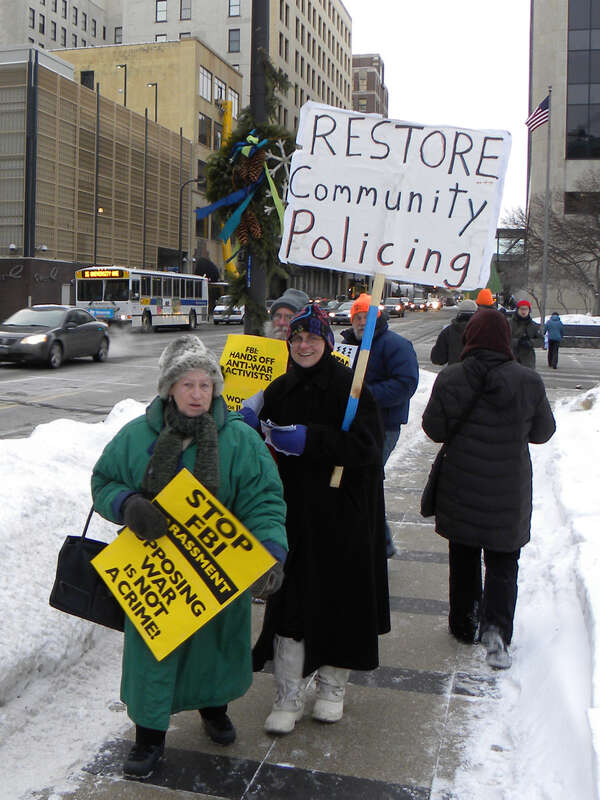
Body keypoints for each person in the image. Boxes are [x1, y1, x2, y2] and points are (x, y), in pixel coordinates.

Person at [91, 335, 287, 779]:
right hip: (155, 575)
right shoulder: (136, 436)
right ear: (169, 389)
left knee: (215, 651)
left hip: (219, 572)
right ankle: (148, 737)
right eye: (187, 385)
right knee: (154, 657)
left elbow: (265, 501)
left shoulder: (239, 439)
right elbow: (103, 481)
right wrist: (128, 504)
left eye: (205, 384)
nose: (198, 394)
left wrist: (271, 551)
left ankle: (213, 710)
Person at [252, 304, 390, 733]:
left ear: (327, 343)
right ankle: (288, 694)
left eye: (312, 338)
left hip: (345, 514)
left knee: (339, 600)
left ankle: (332, 687)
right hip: (294, 513)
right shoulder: (279, 388)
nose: (304, 345)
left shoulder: (351, 389)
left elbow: (368, 447)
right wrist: (248, 422)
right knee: (291, 600)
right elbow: (258, 434)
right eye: (296, 339)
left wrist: (314, 440)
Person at [422, 310, 555, 669]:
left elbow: (434, 429)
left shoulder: (451, 377)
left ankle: (464, 624)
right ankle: (496, 630)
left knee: (463, 555)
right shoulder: (528, 381)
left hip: (460, 484)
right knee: (503, 560)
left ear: (470, 339)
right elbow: (543, 433)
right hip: (507, 489)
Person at [341, 293, 419, 556]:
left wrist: (365, 395)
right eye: (357, 317)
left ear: (378, 318)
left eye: (367, 316)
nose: (362, 322)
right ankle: (370, 540)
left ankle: (380, 543)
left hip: (382, 427)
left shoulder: (395, 345)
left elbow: (405, 383)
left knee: (365, 478)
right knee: (360, 481)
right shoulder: (346, 346)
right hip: (350, 426)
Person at [430, 299, 478, 366]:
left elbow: (437, 359)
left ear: (458, 313)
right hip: (478, 374)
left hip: (454, 373)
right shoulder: (483, 332)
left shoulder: (448, 332)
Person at [509, 299, 542, 368]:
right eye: (521, 309)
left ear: (529, 310)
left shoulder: (533, 325)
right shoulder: (509, 324)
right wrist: (518, 342)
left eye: (526, 309)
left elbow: (541, 340)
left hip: (528, 360)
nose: (523, 311)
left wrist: (530, 342)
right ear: (517, 310)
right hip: (512, 357)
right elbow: (503, 339)